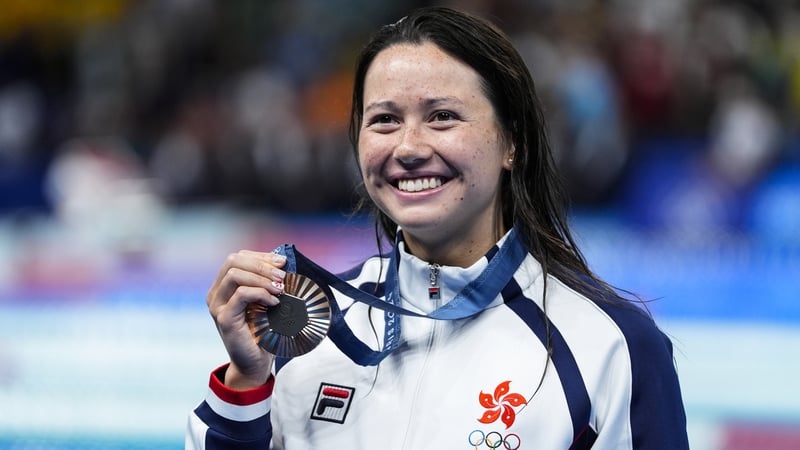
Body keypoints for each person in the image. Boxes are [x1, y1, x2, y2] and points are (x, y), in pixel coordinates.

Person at [186, 6, 689, 449]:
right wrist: (246, 384)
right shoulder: (309, 332)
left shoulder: (612, 346)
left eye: (443, 116)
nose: (408, 147)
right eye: (384, 120)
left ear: (512, 143)